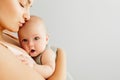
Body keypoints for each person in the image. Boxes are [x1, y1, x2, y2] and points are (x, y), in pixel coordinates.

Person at [0, 0, 66, 80]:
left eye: (29, 7)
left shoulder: (7, 36)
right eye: (22, 4)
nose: (27, 16)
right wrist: (61, 55)